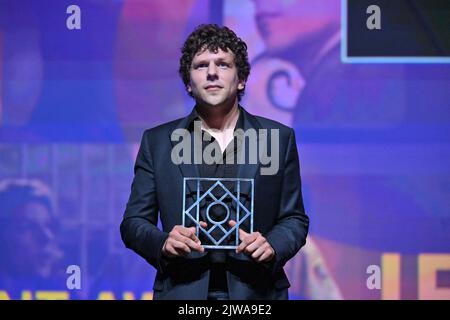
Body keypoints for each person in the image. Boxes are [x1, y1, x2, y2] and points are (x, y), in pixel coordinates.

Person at [120, 24, 309, 300]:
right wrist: (163, 242)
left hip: (257, 292)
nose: (211, 72)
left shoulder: (278, 139)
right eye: (200, 65)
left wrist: (272, 245)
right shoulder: (158, 142)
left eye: (222, 64)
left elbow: (294, 218)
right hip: (183, 292)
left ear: (241, 78)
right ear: (188, 82)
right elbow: (133, 223)